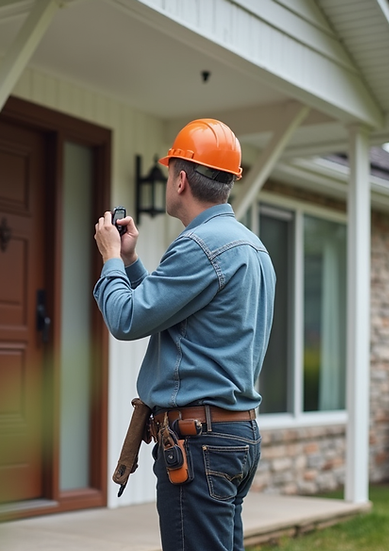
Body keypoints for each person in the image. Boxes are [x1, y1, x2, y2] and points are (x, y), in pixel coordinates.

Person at [93, 118, 276, 551]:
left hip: (200, 445)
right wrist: (133, 261)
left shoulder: (199, 246)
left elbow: (126, 320)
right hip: (235, 439)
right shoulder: (253, 247)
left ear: (180, 180)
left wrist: (110, 260)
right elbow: (171, 311)